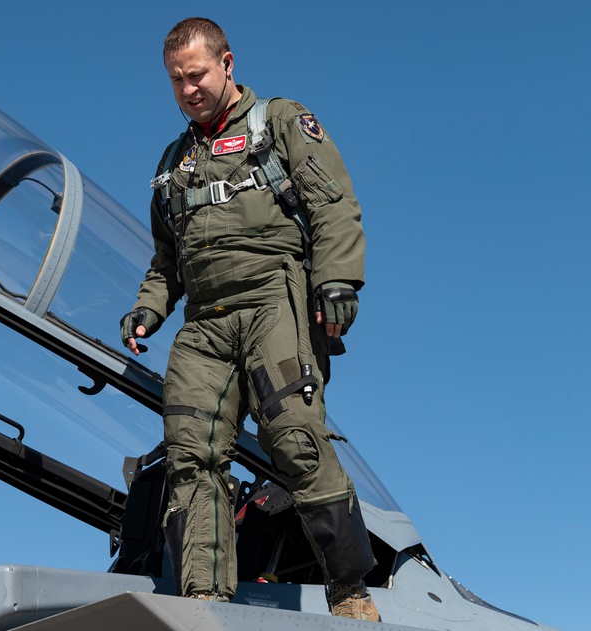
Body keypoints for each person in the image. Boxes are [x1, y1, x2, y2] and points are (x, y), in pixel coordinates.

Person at [120, 17, 380, 621]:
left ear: (228, 63)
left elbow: (333, 204)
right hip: (204, 323)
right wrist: (147, 308)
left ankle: (348, 590)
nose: (188, 89)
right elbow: (166, 261)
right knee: (190, 456)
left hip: (274, 300)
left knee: (295, 437)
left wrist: (338, 277)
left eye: (198, 75)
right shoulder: (173, 162)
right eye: (177, 80)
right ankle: (205, 599)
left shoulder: (282, 123)